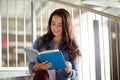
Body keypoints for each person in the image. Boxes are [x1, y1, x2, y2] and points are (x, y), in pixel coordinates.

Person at [29, 8, 81, 80]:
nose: (56, 28)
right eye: (53, 24)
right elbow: (30, 67)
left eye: (60, 25)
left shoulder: (72, 46)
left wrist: (69, 70)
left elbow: (75, 72)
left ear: (66, 26)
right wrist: (37, 67)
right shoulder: (39, 41)